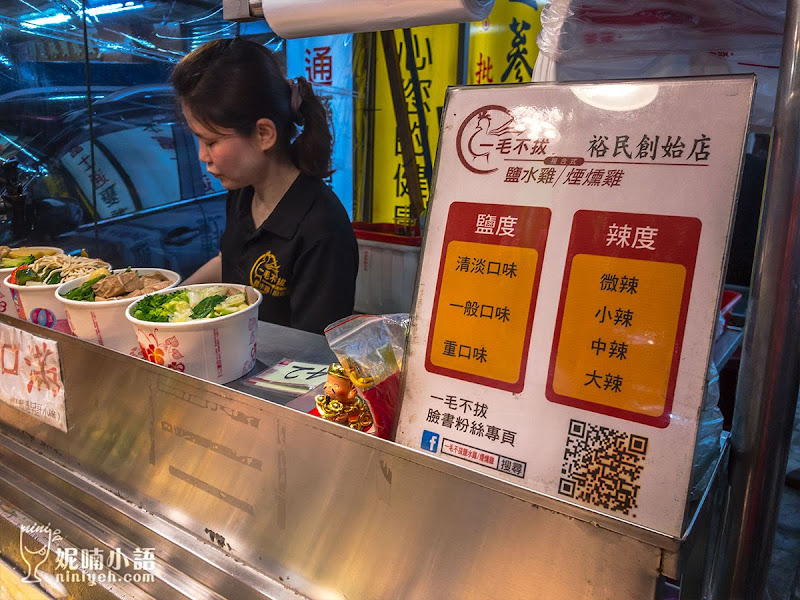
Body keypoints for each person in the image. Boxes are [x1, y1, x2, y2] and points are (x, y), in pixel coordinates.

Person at [171, 37, 358, 335]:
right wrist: (163, 300)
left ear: (263, 134)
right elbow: (228, 263)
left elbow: (315, 347)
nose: (202, 156)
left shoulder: (322, 227)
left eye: (210, 141)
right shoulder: (243, 194)